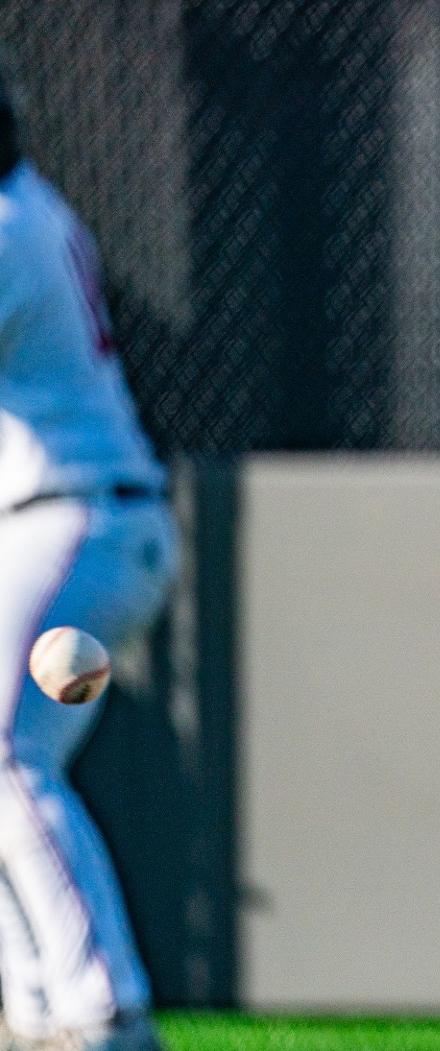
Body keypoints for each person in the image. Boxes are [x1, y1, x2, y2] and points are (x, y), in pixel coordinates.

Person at [0, 68, 177, 1051]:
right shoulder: (32, 205)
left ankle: (102, 1009)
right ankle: (34, 1010)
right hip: (81, 517)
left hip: (73, 519)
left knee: (10, 758)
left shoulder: (6, 226)